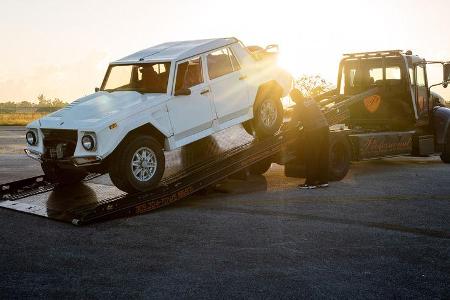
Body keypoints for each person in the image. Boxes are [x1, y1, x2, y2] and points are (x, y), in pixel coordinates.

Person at [290, 88, 330, 189]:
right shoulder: (310, 100)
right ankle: (323, 181)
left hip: (314, 131)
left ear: (294, 97)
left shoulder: (298, 106)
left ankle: (310, 183)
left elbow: (293, 124)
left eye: (292, 98)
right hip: (325, 128)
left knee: (311, 156)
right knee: (323, 155)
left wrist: (286, 126)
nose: (292, 100)